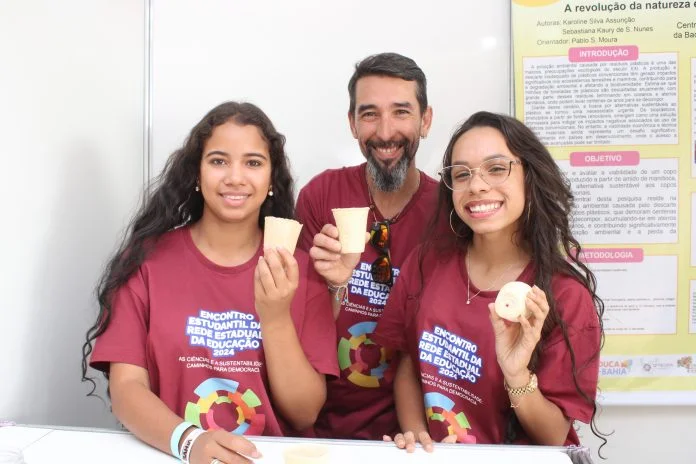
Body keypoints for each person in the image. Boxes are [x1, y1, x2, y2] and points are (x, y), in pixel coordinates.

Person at [81, 101, 338, 464]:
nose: (235, 177)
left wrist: (276, 316)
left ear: (270, 180)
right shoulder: (146, 262)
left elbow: (304, 412)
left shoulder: (299, 269)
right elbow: (126, 388)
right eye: (218, 161)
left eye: (253, 162)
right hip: (172, 454)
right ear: (197, 175)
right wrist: (189, 442)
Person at [373, 111, 606, 450]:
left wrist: (517, 375)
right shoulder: (426, 262)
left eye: (497, 169)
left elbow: (553, 435)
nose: (477, 186)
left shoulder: (564, 295)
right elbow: (409, 363)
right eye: (461, 174)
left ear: (530, 175)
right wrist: (418, 439)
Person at [295, 52, 439, 440]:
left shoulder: (448, 213)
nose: (385, 131)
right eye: (370, 114)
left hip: (414, 434)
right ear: (353, 124)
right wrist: (334, 284)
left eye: (401, 112)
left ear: (425, 121)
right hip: (317, 424)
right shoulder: (321, 195)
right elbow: (296, 326)